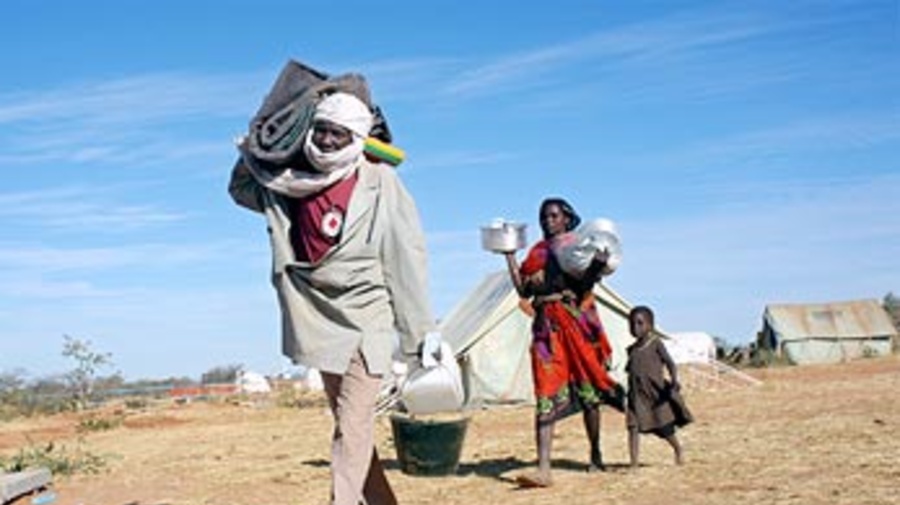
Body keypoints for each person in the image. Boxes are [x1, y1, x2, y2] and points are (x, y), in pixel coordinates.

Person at [229, 89, 434, 505]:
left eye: (337, 134)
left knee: (353, 424)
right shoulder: (290, 180)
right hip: (318, 317)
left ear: (356, 138)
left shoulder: (381, 182)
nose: (325, 140)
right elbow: (241, 189)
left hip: (367, 317)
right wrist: (258, 146)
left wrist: (419, 336)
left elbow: (406, 257)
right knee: (350, 426)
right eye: (320, 129)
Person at [502, 197, 624, 488]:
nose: (548, 221)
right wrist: (509, 255)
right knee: (545, 393)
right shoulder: (537, 252)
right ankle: (544, 469)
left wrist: (596, 266)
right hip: (546, 330)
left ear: (567, 219)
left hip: (576, 325)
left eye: (554, 216)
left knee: (589, 392)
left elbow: (584, 286)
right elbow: (523, 290)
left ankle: (596, 454)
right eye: (544, 217)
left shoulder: (577, 247)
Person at [625, 305, 693, 468]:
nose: (635, 328)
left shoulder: (656, 343)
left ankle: (678, 449)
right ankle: (633, 464)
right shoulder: (632, 350)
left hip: (655, 395)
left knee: (664, 428)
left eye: (640, 323)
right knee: (633, 427)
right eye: (632, 324)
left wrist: (674, 380)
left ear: (650, 325)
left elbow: (670, 363)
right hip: (636, 396)